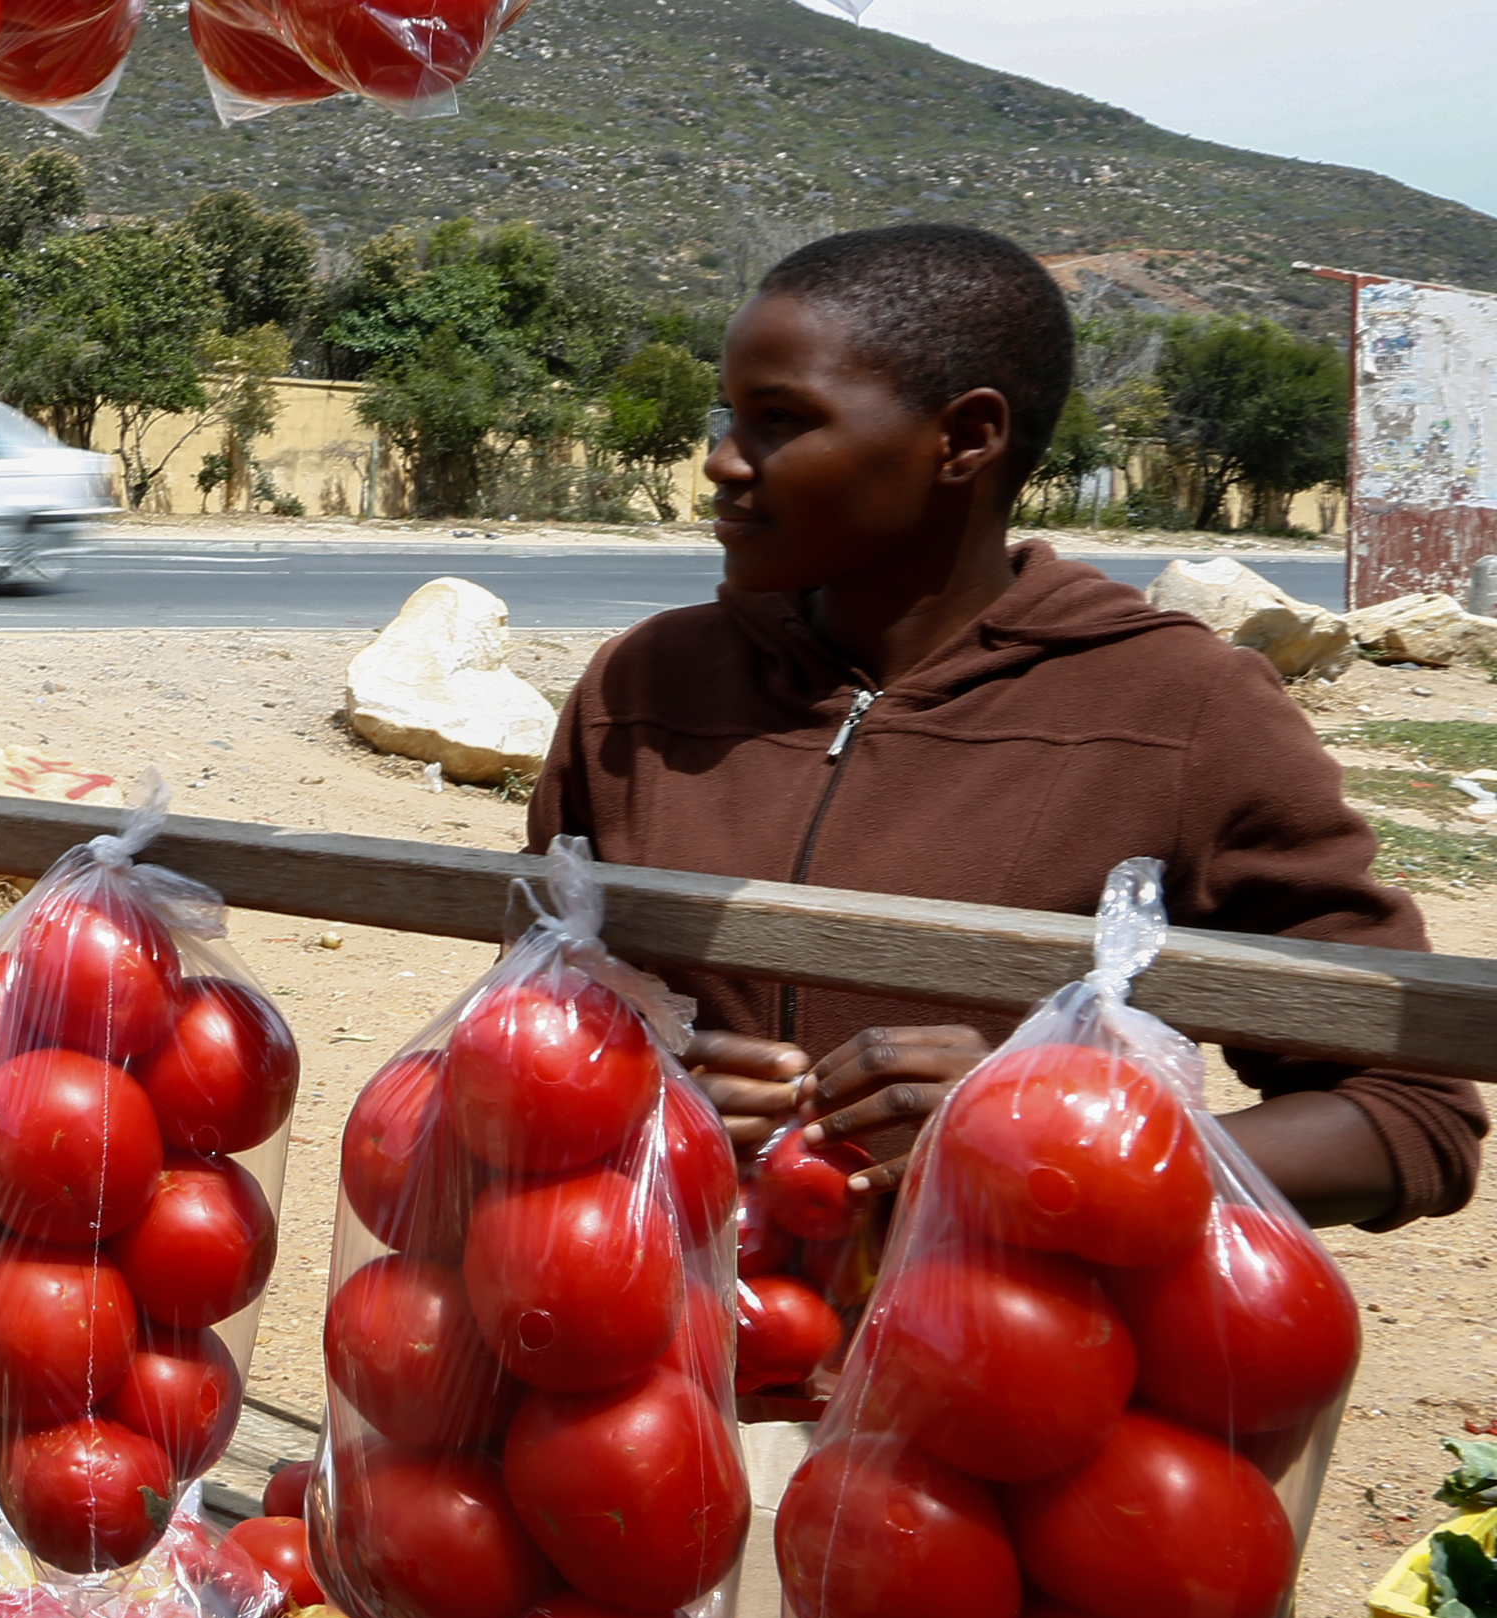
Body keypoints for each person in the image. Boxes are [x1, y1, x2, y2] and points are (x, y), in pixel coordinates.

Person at [528, 222, 1484, 1230]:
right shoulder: (642, 684)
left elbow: (1409, 1114)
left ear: (965, 438)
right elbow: (536, 1016)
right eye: (728, 413)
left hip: (1007, 1362)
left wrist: (1053, 1137)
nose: (721, 461)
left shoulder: (1183, 709)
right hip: (639, 1353)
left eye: (778, 419)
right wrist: (636, 1093)